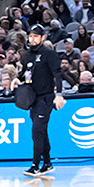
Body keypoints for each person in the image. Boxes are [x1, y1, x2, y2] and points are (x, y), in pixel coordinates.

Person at [23, 28, 62, 176]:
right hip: (33, 98)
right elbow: (25, 73)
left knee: (37, 130)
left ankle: (35, 165)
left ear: (42, 37)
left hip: (46, 97)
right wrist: (17, 79)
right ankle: (47, 162)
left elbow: (57, 74)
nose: (32, 39)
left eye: (36, 36)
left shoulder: (49, 54)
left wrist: (59, 94)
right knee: (41, 130)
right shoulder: (27, 55)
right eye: (30, 36)